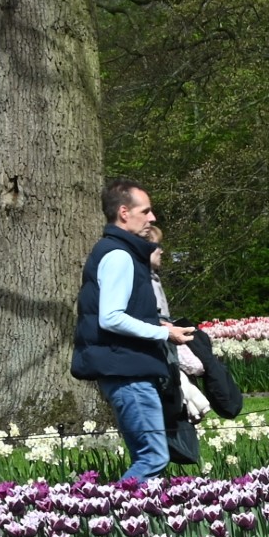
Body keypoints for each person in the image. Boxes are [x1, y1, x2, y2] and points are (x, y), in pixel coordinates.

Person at [70, 177, 191, 484]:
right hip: (129, 373)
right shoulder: (119, 255)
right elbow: (110, 318)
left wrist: (159, 324)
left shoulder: (119, 251)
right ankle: (113, 510)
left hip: (127, 368)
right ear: (124, 212)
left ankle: (127, 517)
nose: (152, 218)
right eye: (146, 210)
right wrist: (165, 334)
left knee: (148, 455)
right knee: (153, 456)